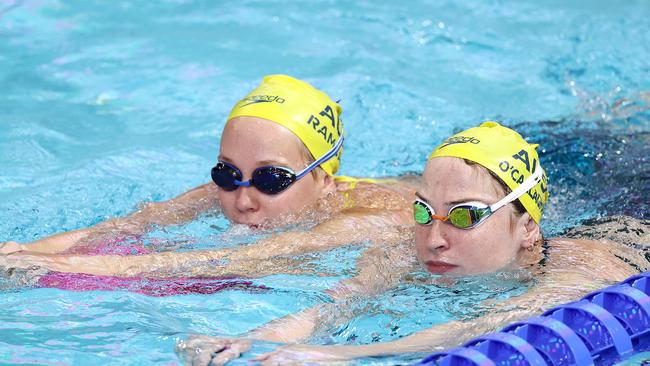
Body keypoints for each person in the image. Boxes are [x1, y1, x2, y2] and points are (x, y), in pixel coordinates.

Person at [174, 122, 649, 365]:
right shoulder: (406, 249)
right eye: (423, 211)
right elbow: (337, 305)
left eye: (464, 216)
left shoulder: (582, 272)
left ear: (528, 228)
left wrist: (339, 356)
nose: (435, 239)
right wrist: (249, 343)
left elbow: (486, 325)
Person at [0, 75, 415, 290]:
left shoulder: (364, 221)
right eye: (226, 173)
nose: (243, 199)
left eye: (271, 179)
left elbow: (225, 262)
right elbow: (121, 228)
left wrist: (60, 267)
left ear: (324, 180)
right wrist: (21, 251)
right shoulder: (234, 191)